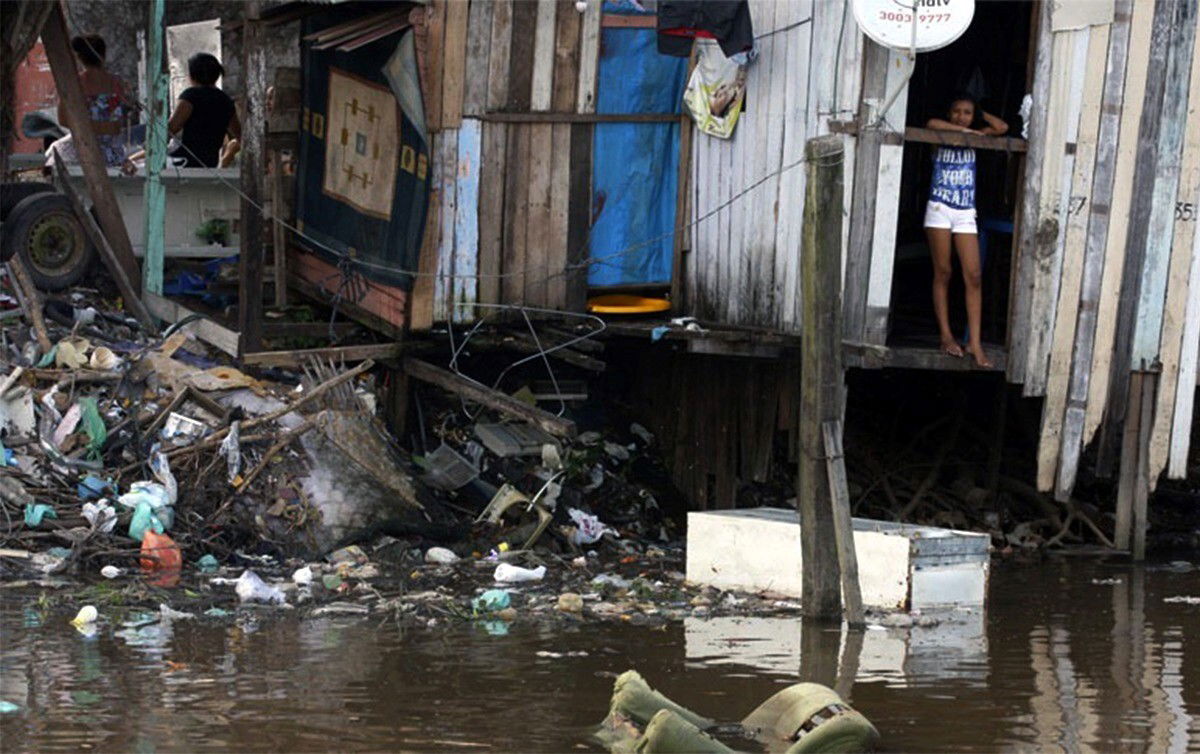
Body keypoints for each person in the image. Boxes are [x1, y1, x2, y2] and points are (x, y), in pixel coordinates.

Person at [923, 92, 1008, 368]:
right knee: (944, 271)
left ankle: (974, 342)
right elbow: (931, 123)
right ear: (950, 114)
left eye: (967, 112)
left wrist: (980, 117)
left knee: (973, 275)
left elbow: (1002, 128)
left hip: (964, 212)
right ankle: (946, 336)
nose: (961, 115)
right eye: (957, 111)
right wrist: (964, 129)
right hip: (939, 208)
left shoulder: (977, 133)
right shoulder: (943, 133)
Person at [46, 34, 136, 168]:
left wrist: (89, 127)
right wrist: (104, 128)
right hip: (112, 152)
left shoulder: (74, 83)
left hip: (83, 148)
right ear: (103, 55)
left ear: (80, 58)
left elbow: (63, 120)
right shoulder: (118, 83)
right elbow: (121, 121)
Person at [168, 52, 239, 167]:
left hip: (185, 163)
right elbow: (239, 134)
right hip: (209, 163)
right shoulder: (225, 100)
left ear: (192, 75)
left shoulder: (190, 96)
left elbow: (171, 128)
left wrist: (149, 145)